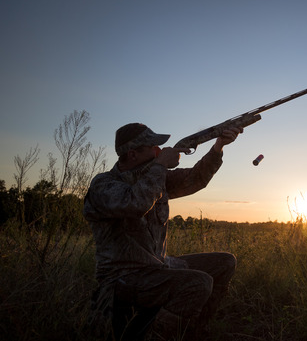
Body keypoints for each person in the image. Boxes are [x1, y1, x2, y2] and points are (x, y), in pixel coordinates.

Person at [84, 123, 242, 340]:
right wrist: (160, 166)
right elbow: (136, 203)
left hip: (158, 266)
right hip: (123, 278)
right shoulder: (104, 185)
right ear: (132, 154)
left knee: (224, 262)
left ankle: (196, 331)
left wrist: (218, 147)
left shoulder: (156, 178)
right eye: (153, 147)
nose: (159, 151)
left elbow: (196, 179)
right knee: (199, 282)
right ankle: (150, 333)